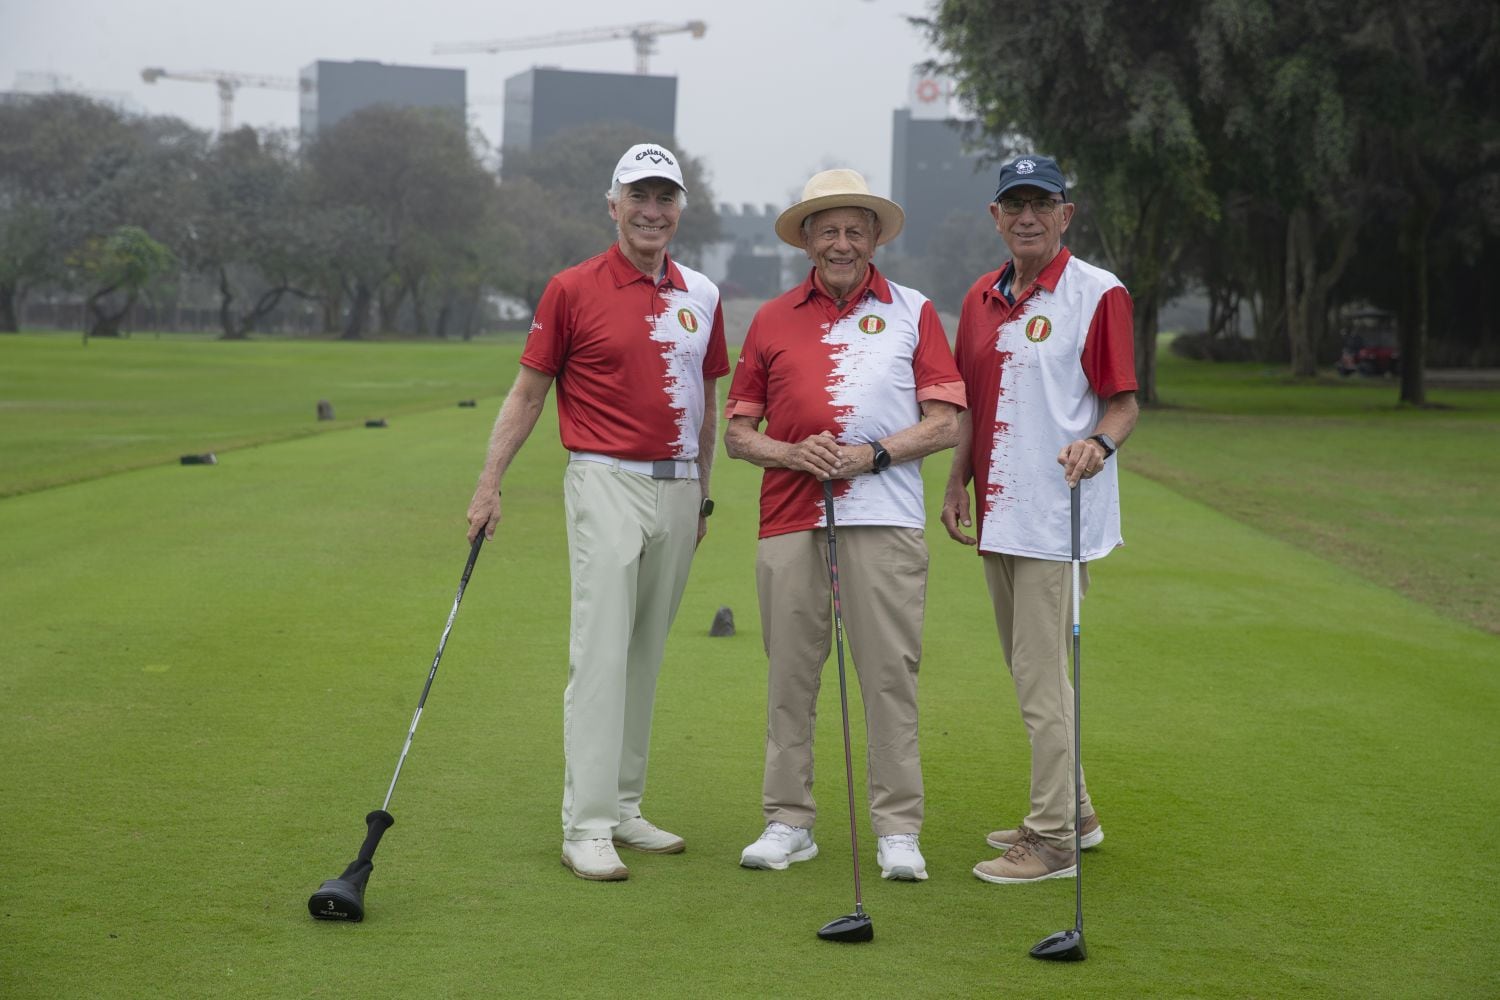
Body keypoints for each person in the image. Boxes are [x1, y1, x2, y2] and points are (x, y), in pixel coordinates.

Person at [466, 143, 729, 881]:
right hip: (604, 477)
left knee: (645, 652)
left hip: (679, 486)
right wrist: (490, 485)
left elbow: (705, 409)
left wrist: (703, 495)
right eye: (638, 197)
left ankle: (623, 805)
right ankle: (584, 825)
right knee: (602, 651)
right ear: (612, 204)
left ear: (680, 208)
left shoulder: (700, 295)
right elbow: (527, 395)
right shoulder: (572, 289)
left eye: (665, 197)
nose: (653, 211)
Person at [724, 169, 965, 882]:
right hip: (789, 516)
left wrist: (872, 453)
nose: (841, 242)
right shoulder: (770, 318)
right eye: (827, 228)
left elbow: (946, 422)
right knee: (790, 677)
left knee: (889, 675)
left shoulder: (913, 310)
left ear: (874, 237)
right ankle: (788, 822)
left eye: (855, 228)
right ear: (806, 239)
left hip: (883, 518)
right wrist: (794, 453)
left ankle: (897, 830)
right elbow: (738, 433)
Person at [940, 153, 1139, 884]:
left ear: (1066, 214)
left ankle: (1052, 838)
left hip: (1059, 515)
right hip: (999, 514)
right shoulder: (979, 297)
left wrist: (1099, 443)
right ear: (995, 217)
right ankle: (1077, 812)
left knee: (1040, 682)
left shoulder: (1097, 293)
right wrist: (956, 480)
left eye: (1041, 204)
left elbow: (1123, 401)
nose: (1027, 216)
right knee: (1033, 673)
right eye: (1013, 204)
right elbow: (968, 402)